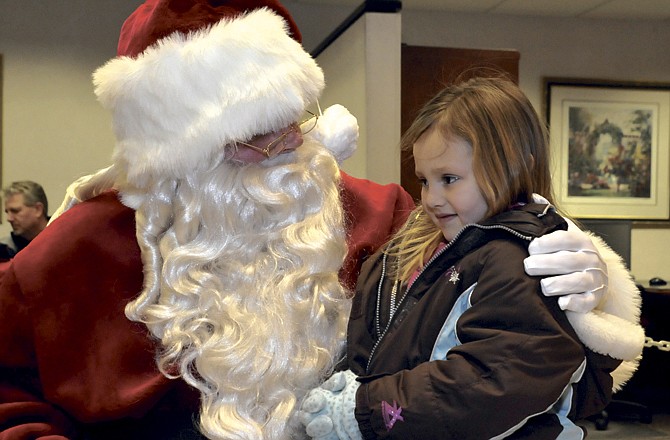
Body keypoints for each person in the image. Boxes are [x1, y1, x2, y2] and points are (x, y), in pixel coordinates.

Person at [0, 1, 637, 440]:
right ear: (180, 153)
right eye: (250, 138)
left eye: (292, 125)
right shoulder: (79, 248)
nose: (283, 152)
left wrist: (591, 282)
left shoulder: (377, 212)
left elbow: (507, 317)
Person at [298, 77, 644, 439]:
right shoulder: (412, 245)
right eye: (424, 180)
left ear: (514, 167)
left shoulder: (528, 261)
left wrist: (368, 409)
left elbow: (495, 379)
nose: (431, 198)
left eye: (449, 178)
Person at [0, 180, 49, 259]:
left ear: (38, 210)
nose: (9, 219)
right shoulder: (4, 249)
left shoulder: (64, 240)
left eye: (15, 211)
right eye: (7, 212)